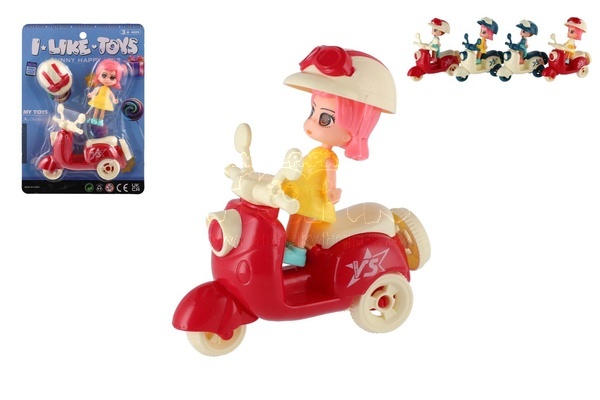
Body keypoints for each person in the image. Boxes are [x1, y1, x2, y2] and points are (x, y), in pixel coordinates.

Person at [281, 45, 396, 266]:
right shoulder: (317, 152)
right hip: (303, 189)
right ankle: (288, 243)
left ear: (349, 134)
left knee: (305, 219)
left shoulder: (328, 158)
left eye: (325, 119)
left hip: (314, 195)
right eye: (313, 112)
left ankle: (297, 249)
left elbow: (330, 176)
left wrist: (332, 191)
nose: (311, 123)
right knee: (296, 216)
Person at [87, 59, 126, 126]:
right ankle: (94, 119)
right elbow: (95, 91)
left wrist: (114, 100)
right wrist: (91, 94)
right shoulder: (99, 88)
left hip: (105, 102)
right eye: (104, 75)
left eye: (112, 77)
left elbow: (112, 96)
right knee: (96, 110)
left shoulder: (108, 90)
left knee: (102, 112)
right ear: (98, 75)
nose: (107, 79)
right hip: (98, 100)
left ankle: (100, 121)